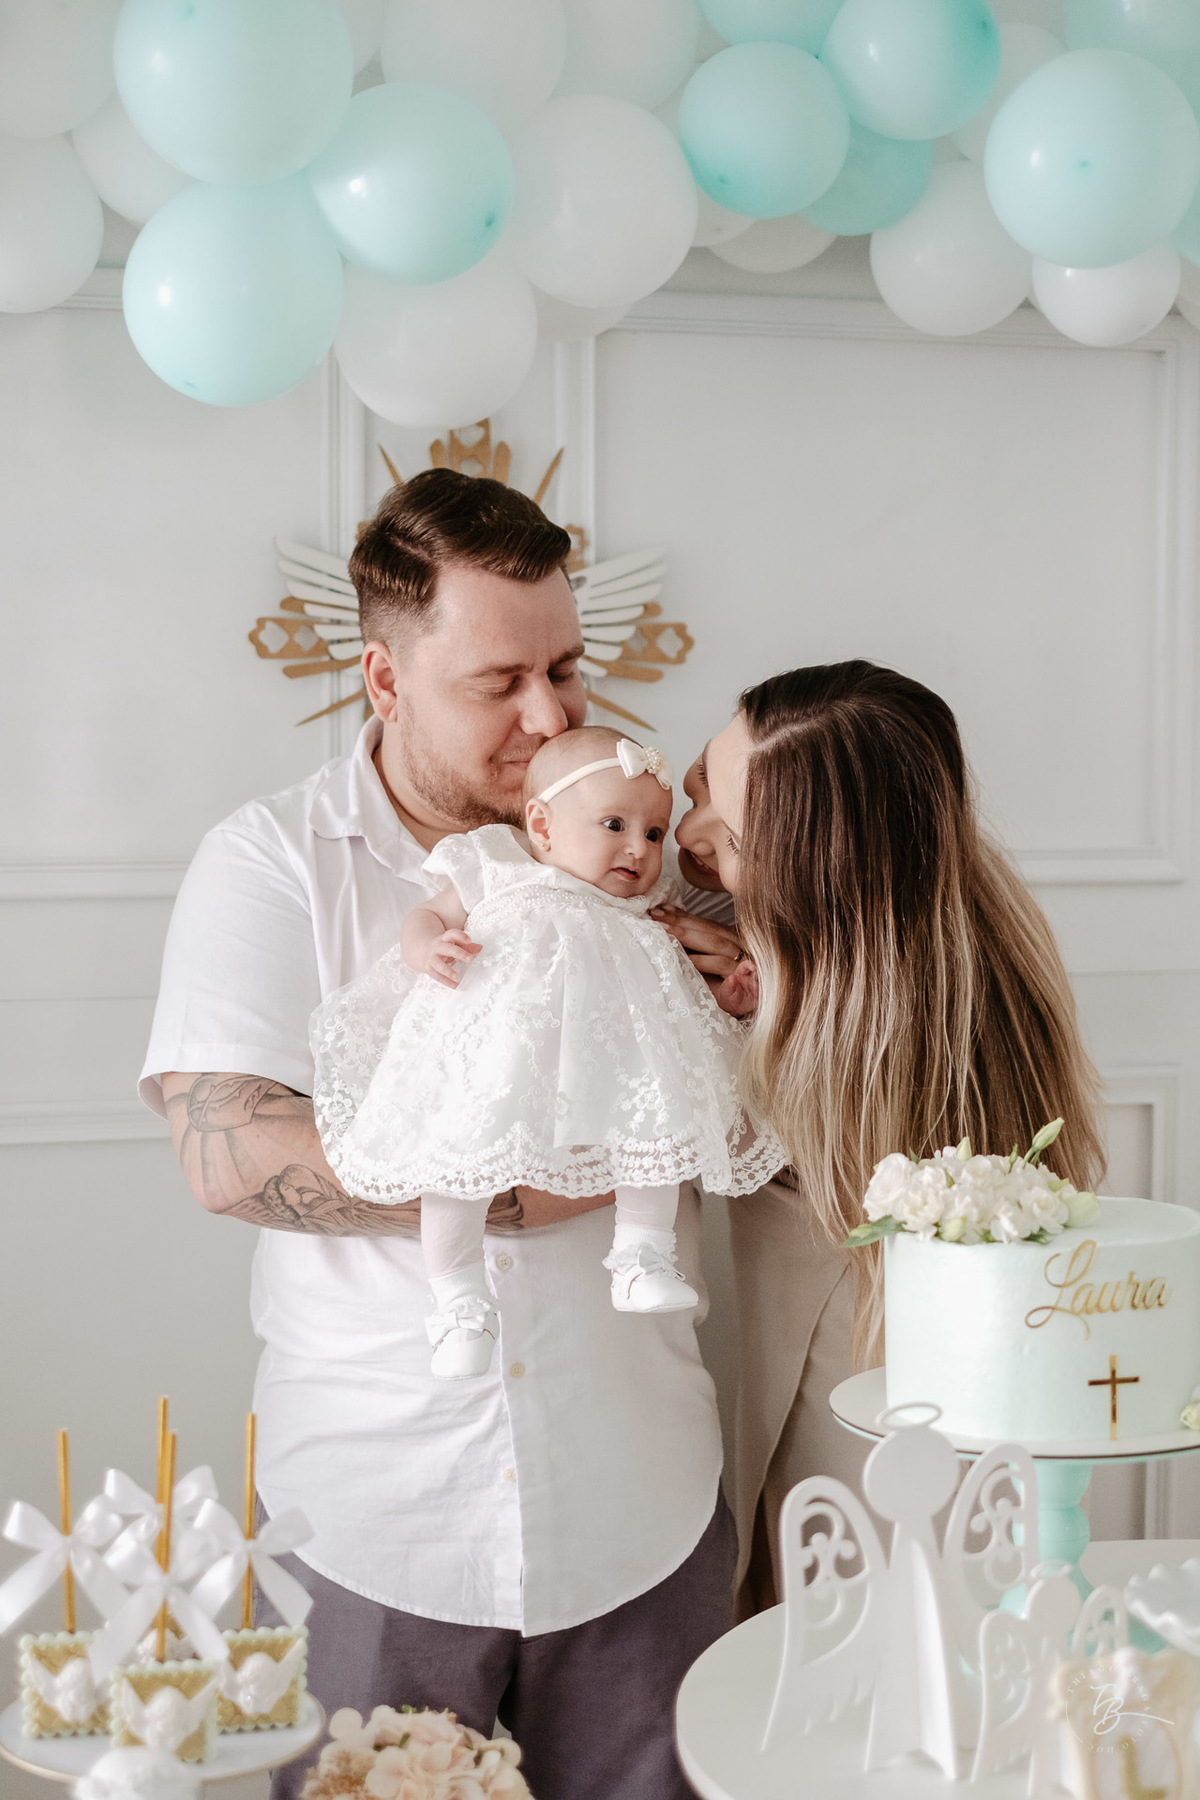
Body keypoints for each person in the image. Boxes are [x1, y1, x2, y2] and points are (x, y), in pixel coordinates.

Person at [139, 470, 737, 1799]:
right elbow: (227, 1151)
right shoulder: (270, 864)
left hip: (639, 1495)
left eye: (568, 668)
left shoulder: (637, 837)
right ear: (386, 677)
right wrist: (539, 1189)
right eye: (499, 682)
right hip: (377, 1515)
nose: (551, 714)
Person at [665, 659, 1106, 1615]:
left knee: (868, 1614)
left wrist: (753, 1006)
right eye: (700, 777)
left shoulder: (912, 1014)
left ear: (814, 888)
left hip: (864, 1378)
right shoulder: (904, 904)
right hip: (822, 1353)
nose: (687, 835)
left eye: (732, 841)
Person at [309, 723, 784, 1377]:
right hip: (491, 1059)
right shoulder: (497, 863)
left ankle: (642, 1255)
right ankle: (457, 1302)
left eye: (651, 833)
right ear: (542, 823)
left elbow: (687, 998)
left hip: (613, 1068)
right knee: (453, 1166)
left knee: (656, 1134)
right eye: (614, 824)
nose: (639, 850)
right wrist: (427, 947)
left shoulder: (649, 907)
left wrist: (732, 997)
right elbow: (429, 916)